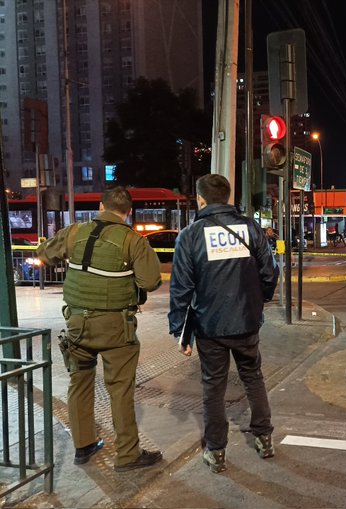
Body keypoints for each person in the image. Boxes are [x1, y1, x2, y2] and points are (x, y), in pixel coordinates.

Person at [37, 186, 163, 471]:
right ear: (128, 211)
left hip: (77, 326)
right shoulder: (134, 241)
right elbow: (150, 282)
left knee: (79, 382)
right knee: (120, 389)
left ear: (100, 206)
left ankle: (84, 446)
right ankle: (128, 455)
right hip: (116, 329)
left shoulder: (74, 233)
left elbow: (43, 254)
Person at [168, 174, 279, 474]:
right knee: (253, 377)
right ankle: (265, 439)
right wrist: (260, 300)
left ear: (200, 199)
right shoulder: (251, 228)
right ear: (228, 197)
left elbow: (181, 289)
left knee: (213, 387)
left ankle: (216, 452)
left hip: (210, 326)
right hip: (247, 322)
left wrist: (179, 330)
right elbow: (270, 274)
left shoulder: (190, 236)